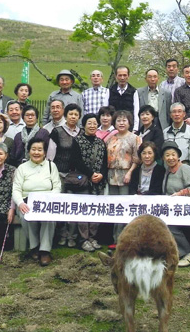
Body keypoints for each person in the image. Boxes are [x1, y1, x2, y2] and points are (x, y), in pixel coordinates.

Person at [12, 137, 62, 266]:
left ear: (45, 152)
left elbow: (57, 186)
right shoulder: (22, 168)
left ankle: (45, 250)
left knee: (49, 218)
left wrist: (49, 200)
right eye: (33, 149)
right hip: (26, 201)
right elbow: (16, 189)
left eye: (40, 150)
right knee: (25, 216)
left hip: (46, 202)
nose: (36, 152)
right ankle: (34, 247)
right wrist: (20, 203)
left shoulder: (51, 166)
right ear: (29, 151)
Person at [69, 114, 108, 251]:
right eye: (89, 123)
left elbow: (104, 162)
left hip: (99, 182)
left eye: (94, 123)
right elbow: (75, 161)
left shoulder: (101, 142)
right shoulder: (77, 141)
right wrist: (91, 174)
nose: (92, 126)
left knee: (96, 210)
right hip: (84, 181)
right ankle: (83, 239)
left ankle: (93, 237)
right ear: (84, 125)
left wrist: (101, 174)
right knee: (84, 210)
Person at [47, 103, 83, 247]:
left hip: (75, 175)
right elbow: (50, 154)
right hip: (59, 174)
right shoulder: (57, 131)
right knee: (61, 206)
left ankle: (72, 237)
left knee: (74, 206)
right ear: (65, 116)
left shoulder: (82, 132)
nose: (73, 117)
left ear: (79, 117)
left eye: (76, 115)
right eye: (70, 114)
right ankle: (62, 235)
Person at [160, 141, 190, 267]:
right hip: (170, 207)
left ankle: (189, 253)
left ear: (178, 156)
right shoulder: (167, 171)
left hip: (184, 207)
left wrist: (180, 194)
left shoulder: (185, 169)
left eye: (173, 154)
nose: (170, 158)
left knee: (170, 226)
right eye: (167, 155)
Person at [106, 110, 142, 244]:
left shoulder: (134, 138)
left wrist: (129, 172)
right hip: (111, 176)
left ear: (129, 122)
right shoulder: (111, 138)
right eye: (118, 121)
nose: (121, 123)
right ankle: (115, 239)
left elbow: (137, 158)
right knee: (114, 208)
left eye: (124, 120)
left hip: (126, 175)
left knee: (124, 207)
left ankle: (123, 240)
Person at [163, 102, 190, 170]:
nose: (177, 114)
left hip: (186, 168)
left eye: (179, 111)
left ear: (184, 114)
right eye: (174, 112)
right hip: (168, 170)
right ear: (170, 115)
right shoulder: (165, 132)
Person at [108, 66, 140, 130]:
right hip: (113, 128)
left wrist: (135, 128)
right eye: (120, 75)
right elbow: (106, 110)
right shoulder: (109, 91)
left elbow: (136, 111)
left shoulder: (133, 91)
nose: (122, 78)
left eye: (124, 75)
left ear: (128, 76)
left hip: (129, 127)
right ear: (116, 76)